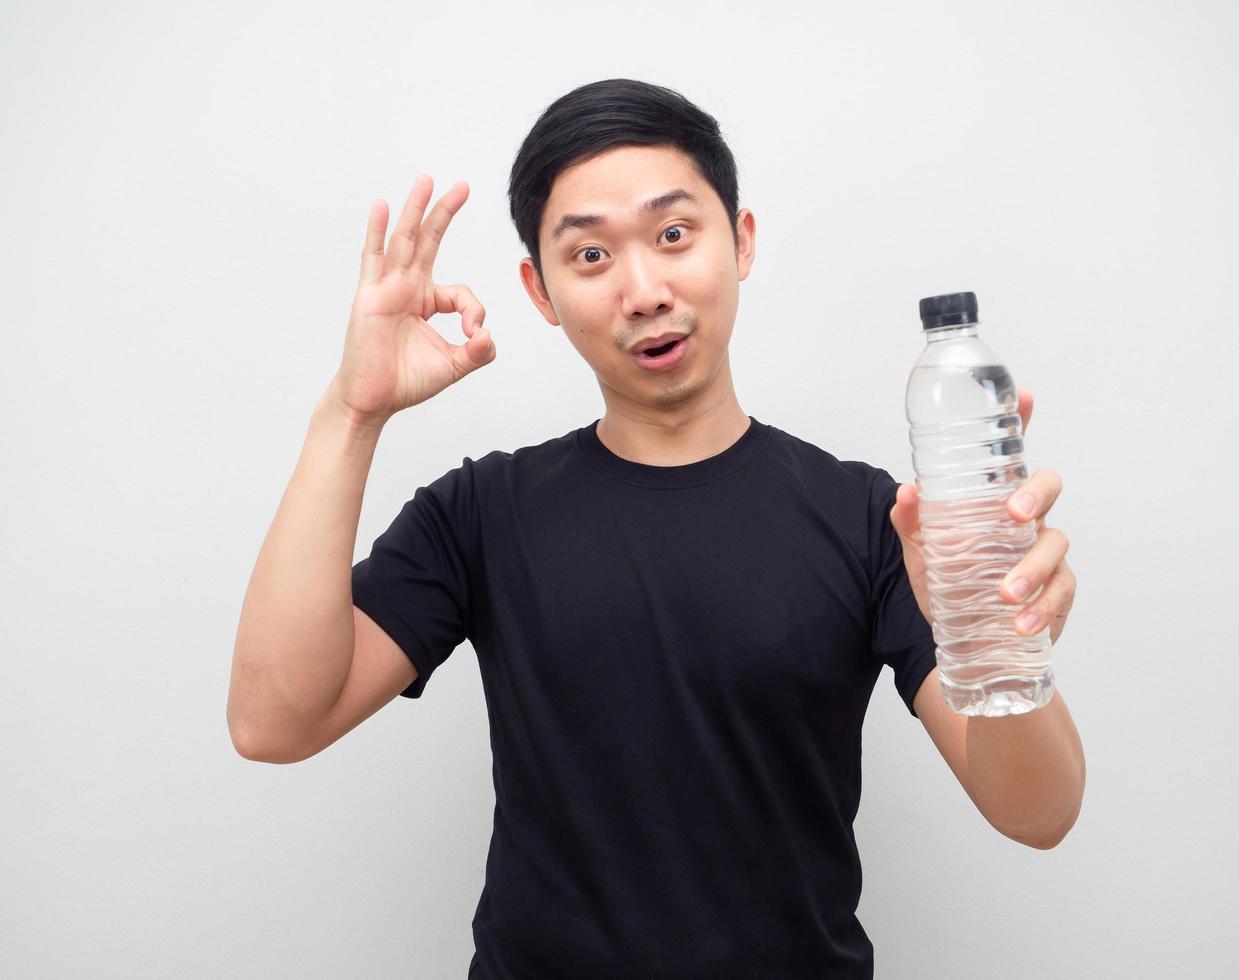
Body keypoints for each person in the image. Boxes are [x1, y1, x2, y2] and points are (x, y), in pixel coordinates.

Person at [227, 78, 1085, 979]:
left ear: (740, 240)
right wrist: (351, 411)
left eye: (674, 234)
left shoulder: (874, 522)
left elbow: (1038, 812)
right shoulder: (480, 514)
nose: (642, 290)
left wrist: (996, 635)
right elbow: (274, 722)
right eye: (590, 255)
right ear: (541, 292)